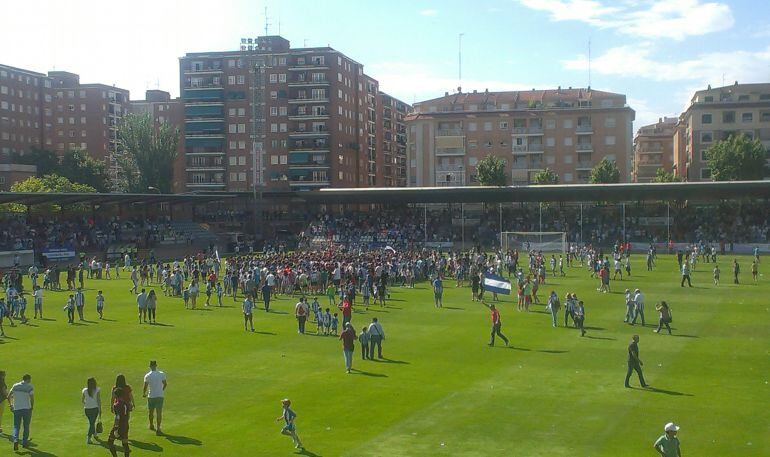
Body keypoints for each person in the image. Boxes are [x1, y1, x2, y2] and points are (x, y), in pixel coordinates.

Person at [8, 373, 34, 451]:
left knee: (16, 426)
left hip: (17, 409)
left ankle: (15, 440)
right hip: (26, 409)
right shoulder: (29, 387)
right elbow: (32, 398)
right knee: (26, 426)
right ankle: (24, 442)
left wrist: (11, 405)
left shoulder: (15, 386)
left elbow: (8, 396)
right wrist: (32, 407)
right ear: (28, 379)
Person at [143, 360, 167, 435]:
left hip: (151, 396)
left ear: (150, 366)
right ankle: (158, 428)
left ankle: (151, 425)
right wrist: (161, 390)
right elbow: (165, 384)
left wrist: (144, 393)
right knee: (159, 412)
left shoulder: (148, 375)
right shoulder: (161, 374)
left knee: (151, 412)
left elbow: (145, 386)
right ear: (156, 366)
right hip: (160, 395)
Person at [107, 387, 131, 457]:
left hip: (119, 425)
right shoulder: (126, 403)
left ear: (116, 395)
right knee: (125, 443)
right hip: (125, 424)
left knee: (110, 442)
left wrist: (116, 429)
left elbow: (117, 417)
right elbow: (128, 414)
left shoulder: (117, 405)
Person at [81, 377, 102, 444]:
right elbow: (98, 400)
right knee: (92, 423)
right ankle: (88, 438)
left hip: (87, 409)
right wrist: (100, 409)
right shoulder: (97, 390)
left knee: (92, 422)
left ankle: (95, 433)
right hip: (95, 409)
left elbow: (82, 400)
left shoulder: (84, 390)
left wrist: (87, 403)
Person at [0, 370, 7, 435]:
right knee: (0, 414)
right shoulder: (1, 381)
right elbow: (3, 390)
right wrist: (8, 396)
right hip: (1, 400)